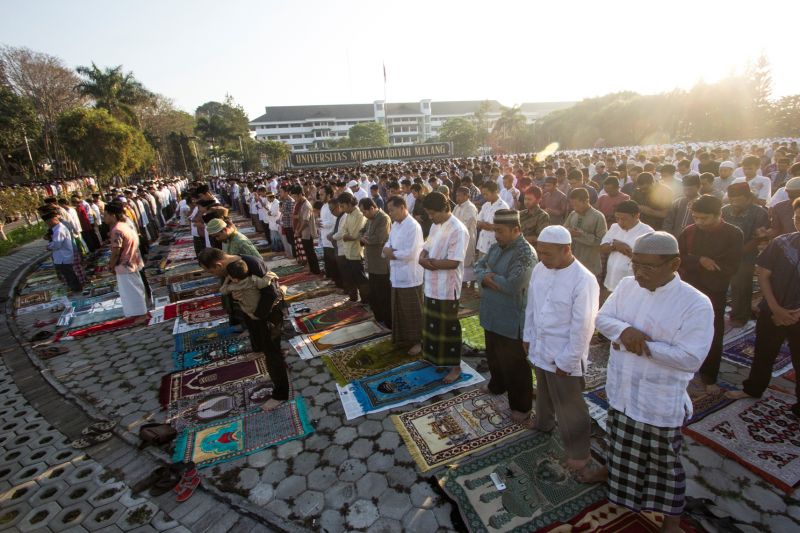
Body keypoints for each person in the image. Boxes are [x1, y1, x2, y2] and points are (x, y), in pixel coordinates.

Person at [582, 232, 714, 533]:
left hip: (659, 400)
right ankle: (609, 473)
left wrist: (639, 344)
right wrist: (625, 331)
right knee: (618, 441)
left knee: (664, 466)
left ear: (674, 263)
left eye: (648, 267)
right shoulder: (628, 286)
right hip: (622, 388)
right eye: (635, 264)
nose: (639, 273)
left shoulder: (696, 303)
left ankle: (671, 522)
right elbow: (603, 318)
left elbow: (690, 358)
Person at [524, 225, 599, 473]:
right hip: (540, 344)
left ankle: (579, 453)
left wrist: (568, 360)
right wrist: (528, 335)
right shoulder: (540, 268)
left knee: (570, 405)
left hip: (564, 352)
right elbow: (532, 306)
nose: (542, 258)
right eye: (540, 252)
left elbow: (584, 327)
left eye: (547, 254)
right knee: (543, 389)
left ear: (566, 250)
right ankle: (543, 423)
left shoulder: (584, 279)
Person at [726, 198, 800, 414]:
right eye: (797, 217)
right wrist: (776, 309)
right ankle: (753, 389)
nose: (799, 221)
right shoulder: (782, 242)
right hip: (773, 311)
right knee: (763, 354)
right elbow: (764, 275)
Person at [198, 248, 288, 411]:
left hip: (268, 314)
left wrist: (258, 316)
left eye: (211, 271)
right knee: (267, 350)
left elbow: (271, 293)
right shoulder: (232, 268)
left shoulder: (251, 264)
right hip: (254, 314)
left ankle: (281, 394)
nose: (212, 275)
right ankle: (277, 371)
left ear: (218, 264)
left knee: (272, 352)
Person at [474, 210, 536, 424]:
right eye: (495, 230)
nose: (496, 235)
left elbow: (513, 285)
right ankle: (497, 385)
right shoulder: (495, 246)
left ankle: (522, 406)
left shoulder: (525, 253)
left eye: (500, 231)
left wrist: (489, 279)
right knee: (493, 355)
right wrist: (486, 276)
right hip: (491, 312)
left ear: (516, 230)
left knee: (515, 364)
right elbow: (478, 266)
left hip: (510, 318)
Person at [678, 195, 743, 391]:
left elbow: (732, 265)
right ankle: (682, 367)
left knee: (712, 333)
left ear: (718, 214)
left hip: (715, 290)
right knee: (683, 329)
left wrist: (709, 265)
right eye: (696, 217)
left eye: (704, 218)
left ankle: (709, 376)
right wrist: (699, 260)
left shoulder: (733, 234)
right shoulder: (688, 232)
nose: (699, 222)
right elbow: (678, 258)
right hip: (689, 288)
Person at [419, 192, 469, 383]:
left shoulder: (458, 229)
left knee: (448, 328)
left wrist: (428, 263)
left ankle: (455, 367)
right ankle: (434, 359)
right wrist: (422, 256)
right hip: (431, 285)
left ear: (444, 209)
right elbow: (427, 245)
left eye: (433, 213)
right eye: (429, 214)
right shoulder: (435, 225)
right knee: (432, 325)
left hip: (447, 288)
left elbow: (454, 262)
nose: (431, 217)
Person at [722, 183, 769, 328]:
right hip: (723, 253)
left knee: (741, 286)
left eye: (738, 199)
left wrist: (737, 252)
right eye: (732, 199)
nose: (734, 202)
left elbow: (758, 238)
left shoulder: (759, 213)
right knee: (719, 284)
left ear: (748, 198)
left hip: (746, 255)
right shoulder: (725, 210)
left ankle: (740, 316)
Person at [383, 196, 425, 352]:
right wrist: (388, 250)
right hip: (396, 274)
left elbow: (410, 253)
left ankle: (418, 342)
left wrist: (391, 253)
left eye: (392, 210)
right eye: (389, 211)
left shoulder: (413, 226)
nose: (390, 213)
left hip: (409, 275)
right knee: (399, 309)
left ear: (402, 208)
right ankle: (403, 338)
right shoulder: (395, 225)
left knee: (412, 310)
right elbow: (388, 243)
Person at [600, 201, 654, 293]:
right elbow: (602, 248)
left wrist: (627, 251)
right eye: (617, 218)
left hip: (633, 284)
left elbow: (648, 261)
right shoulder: (615, 227)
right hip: (611, 280)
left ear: (637, 216)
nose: (620, 222)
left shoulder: (647, 232)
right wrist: (615, 246)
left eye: (624, 219)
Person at [104, 203, 148, 317]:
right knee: (136, 290)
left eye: (105, 215)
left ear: (112, 215)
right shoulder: (124, 226)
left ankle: (140, 315)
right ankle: (140, 313)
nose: (104, 218)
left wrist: (111, 265)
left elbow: (116, 251)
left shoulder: (117, 230)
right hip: (133, 262)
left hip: (125, 266)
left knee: (131, 293)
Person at [359, 198, 391, 327]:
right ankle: (379, 318)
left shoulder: (383, 218)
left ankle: (388, 321)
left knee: (383, 294)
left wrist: (365, 238)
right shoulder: (370, 219)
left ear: (372, 208)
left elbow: (379, 238)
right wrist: (364, 237)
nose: (363, 215)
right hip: (371, 263)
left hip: (381, 264)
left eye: (364, 212)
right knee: (374, 293)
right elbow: (361, 232)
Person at [564, 188, 607, 277]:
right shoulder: (573, 214)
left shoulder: (598, 217)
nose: (574, 207)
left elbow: (601, 242)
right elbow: (564, 230)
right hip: (572, 262)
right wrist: (568, 232)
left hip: (589, 264)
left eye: (576, 205)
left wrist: (581, 235)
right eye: (572, 205)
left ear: (586, 201)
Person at [333, 192, 368, 301]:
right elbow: (343, 231)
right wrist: (346, 235)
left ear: (349, 203)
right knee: (352, 278)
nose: (342, 209)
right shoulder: (348, 215)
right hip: (348, 252)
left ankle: (366, 301)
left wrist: (346, 235)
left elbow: (355, 235)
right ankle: (355, 299)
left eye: (343, 206)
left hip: (356, 252)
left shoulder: (359, 214)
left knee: (361, 279)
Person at [43, 210, 82, 293]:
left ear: (52, 220)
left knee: (70, 275)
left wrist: (48, 246)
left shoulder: (59, 230)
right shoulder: (56, 229)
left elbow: (57, 244)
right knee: (68, 275)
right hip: (61, 257)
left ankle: (76, 289)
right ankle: (74, 288)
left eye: (47, 222)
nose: (47, 225)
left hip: (64, 257)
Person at [291, 185, 321, 275]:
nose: (294, 198)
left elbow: (305, 221)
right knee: (308, 252)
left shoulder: (306, 205)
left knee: (310, 252)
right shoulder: (302, 203)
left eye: (295, 196)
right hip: (304, 233)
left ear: (300, 194)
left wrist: (298, 231)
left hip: (307, 233)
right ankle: (312, 269)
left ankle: (316, 270)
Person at [452, 186, 479, 286]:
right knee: (460, 260)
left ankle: (470, 281)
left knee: (468, 260)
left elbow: (465, 224)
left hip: (467, 238)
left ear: (466, 196)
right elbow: (452, 221)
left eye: (459, 196)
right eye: (456, 195)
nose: (457, 198)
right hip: (456, 238)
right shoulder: (457, 207)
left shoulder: (470, 208)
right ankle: (461, 280)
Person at [476, 181, 509, 258]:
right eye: (483, 194)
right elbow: (478, 222)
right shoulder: (486, 205)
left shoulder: (503, 207)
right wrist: (487, 225)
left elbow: (501, 228)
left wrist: (486, 225)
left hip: (494, 245)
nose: (484, 196)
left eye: (486, 194)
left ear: (495, 192)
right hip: (482, 244)